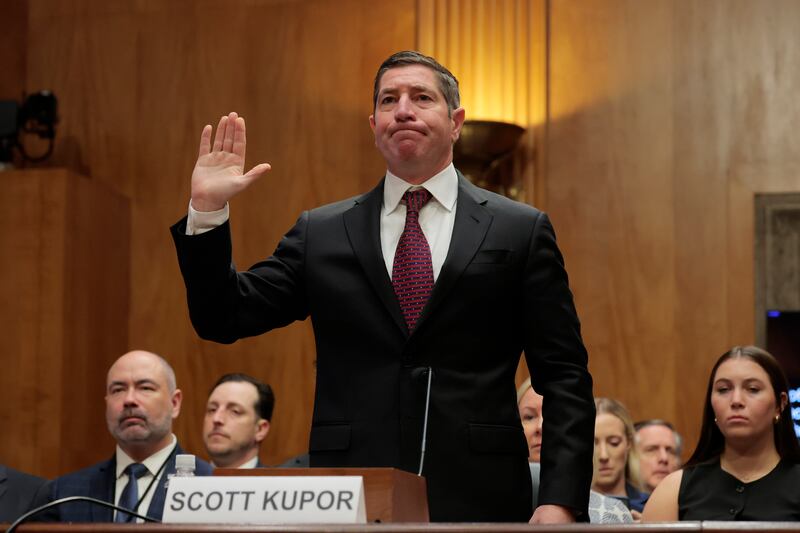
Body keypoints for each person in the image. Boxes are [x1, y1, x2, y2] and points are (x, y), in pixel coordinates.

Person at [171, 50, 595, 523]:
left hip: (482, 494)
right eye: (389, 100)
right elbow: (223, 316)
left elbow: (564, 377)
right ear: (373, 125)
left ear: (455, 122)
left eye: (421, 97)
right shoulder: (322, 232)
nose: (404, 110)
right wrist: (206, 213)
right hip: (352, 491)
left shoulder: (519, 229)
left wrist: (560, 499)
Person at [37, 350, 212, 522]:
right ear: (107, 402)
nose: (129, 400)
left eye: (145, 388)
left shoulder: (212, 485)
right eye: (118, 390)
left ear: (174, 403)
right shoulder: (65, 494)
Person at [643, 346, 800, 521]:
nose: (736, 401)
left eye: (753, 389)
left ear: (781, 404)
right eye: (724, 389)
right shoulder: (673, 490)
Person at [517, 379, 632, 524]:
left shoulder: (610, 513)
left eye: (553, 416)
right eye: (529, 417)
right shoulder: (489, 505)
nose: (541, 426)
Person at [203, 373, 273, 468]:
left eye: (235, 411)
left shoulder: (277, 482)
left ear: (260, 429)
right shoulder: (184, 480)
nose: (217, 419)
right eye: (212, 409)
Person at [592, 398, 648, 515]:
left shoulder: (651, 506)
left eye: (614, 443)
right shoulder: (567, 510)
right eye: (593, 444)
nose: (603, 455)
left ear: (629, 443)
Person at [634, 419, 682, 492]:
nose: (664, 458)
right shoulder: (614, 503)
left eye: (670, 451)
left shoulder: (693, 501)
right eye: (651, 449)